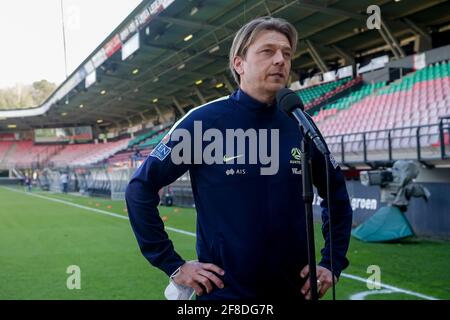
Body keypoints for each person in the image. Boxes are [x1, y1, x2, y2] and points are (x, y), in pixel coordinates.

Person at [125, 17, 353, 300]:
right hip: (223, 295)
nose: (280, 60)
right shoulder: (204, 122)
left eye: (286, 53)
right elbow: (140, 188)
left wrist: (332, 262)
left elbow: (336, 194)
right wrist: (173, 265)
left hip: (297, 292)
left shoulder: (300, 122)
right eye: (267, 51)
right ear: (239, 64)